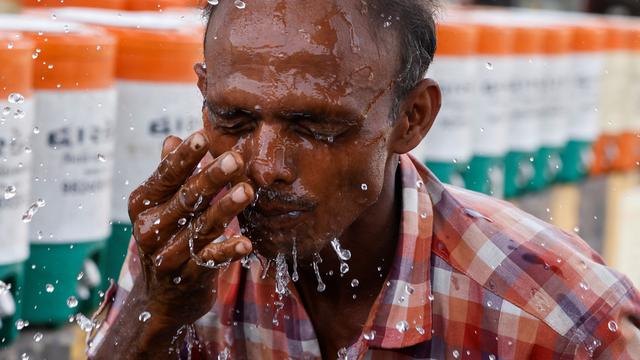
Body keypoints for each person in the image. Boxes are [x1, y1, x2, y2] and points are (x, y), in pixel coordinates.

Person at [87, 0, 640, 358]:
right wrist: (156, 315)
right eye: (233, 119)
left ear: (411, 118)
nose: (265, 164)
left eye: (317, 126)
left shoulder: (560, 314)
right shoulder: (186, 254)